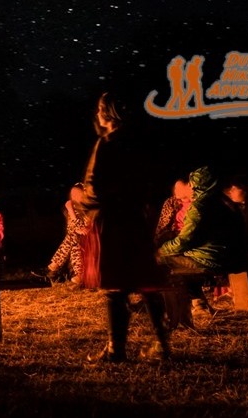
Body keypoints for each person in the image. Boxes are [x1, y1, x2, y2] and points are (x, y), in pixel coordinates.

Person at [80, 92, 171, 363]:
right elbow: (150, 182)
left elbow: (94, 186)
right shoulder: (140, 144)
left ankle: (115, 349)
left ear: (108, 113)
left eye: (99, 109)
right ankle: (163, 345)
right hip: (135, 220)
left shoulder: (106, 144)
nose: (97, 115)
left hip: (113, 222)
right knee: (146, 282)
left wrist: (88, 204)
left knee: (115, 286)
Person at [157, 167, 248, 318]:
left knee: (161, 263)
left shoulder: (200, 207)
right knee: (182, 263)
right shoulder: (225, 202)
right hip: (231, 257)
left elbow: (184, 241)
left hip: (210, 260)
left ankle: (178, 316)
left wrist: (161, 249)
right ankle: (199, 304)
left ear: (196, 185)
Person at [47, 183, 89, 287]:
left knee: (73, 237)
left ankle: (54, 267)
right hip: (78, 238)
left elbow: (88, 226)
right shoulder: (72, 208)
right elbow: (71, 227)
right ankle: (78, 275)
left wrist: (78, 228)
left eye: (78, 194)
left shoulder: (89, 208)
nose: (75, 197)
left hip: (91, 237)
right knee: (74, 239)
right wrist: (71, 211)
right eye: (73, 194)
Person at [154, 177, 193, 247]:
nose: (176, 191)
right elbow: (162, 224)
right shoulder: (171, 202)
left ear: (188, 187)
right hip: (174, 236)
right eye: (175, 188)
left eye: (179, 188)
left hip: (188, 235)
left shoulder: (195, 204)